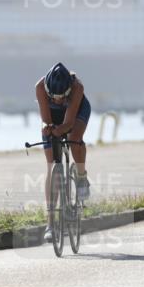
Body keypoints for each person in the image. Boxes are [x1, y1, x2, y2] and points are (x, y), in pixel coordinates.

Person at [35, 62, 91, 242]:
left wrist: (59, 130)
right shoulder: (40, 88)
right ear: (47, 90)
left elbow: (67, 124)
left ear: (68, 91)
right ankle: (50, 224)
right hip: (53, 115)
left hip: (76, 112)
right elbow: (46, 120)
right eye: (54, 97)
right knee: (51, 166)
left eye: (62, 97)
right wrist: (48, 128)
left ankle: (81, 176)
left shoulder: (77, 88)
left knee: (75, 140)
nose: (58, 100)